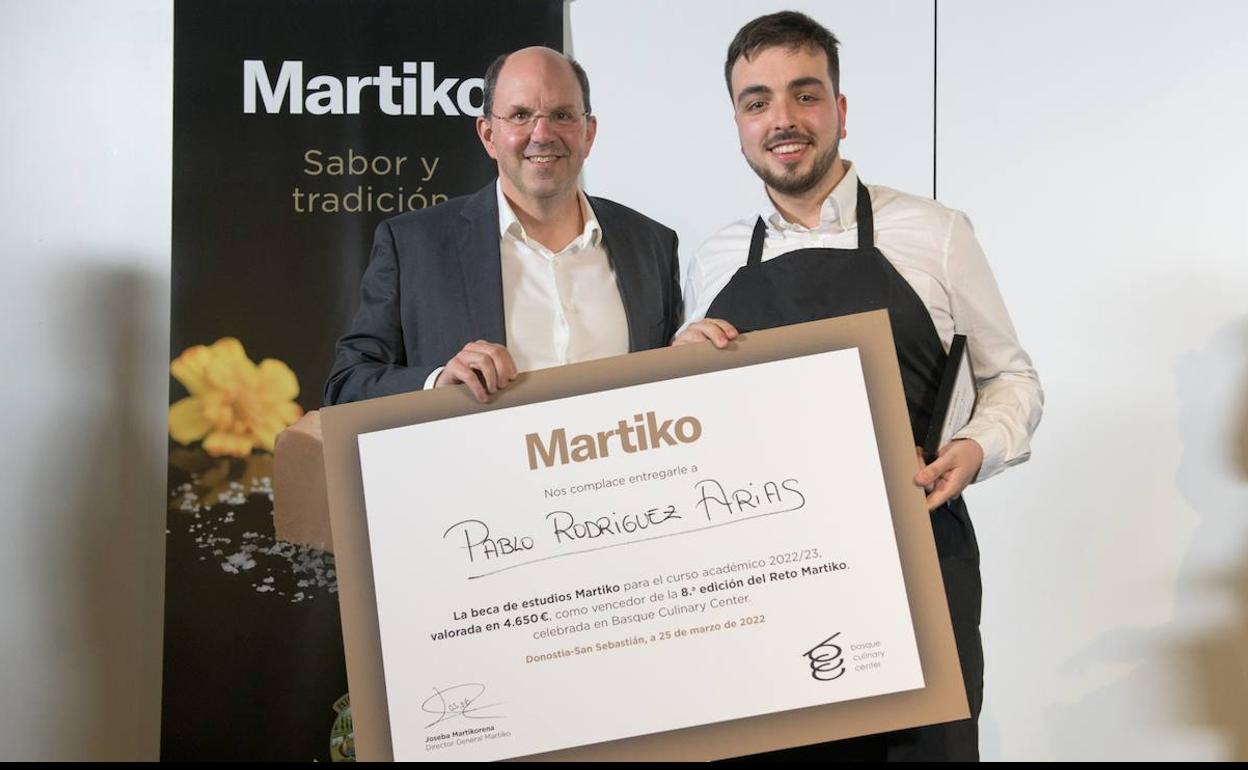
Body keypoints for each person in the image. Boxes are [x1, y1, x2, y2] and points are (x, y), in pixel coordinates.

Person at [677, 11, 1043, 761]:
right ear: (738, 124)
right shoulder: (712, 262)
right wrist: (678, 370)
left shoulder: (936, 233)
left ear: (840, 111)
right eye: (757, 102)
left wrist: (976, 448)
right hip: (766, 589)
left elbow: (1013, 378)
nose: (782, 120)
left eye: (805, 96)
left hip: (919, 567)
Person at [325, 46, 682, 406]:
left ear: (588, 133)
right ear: (488, 135)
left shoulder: (651, 244)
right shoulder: (414, 246)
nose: (542, 133)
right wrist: (437, 383)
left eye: (561, 114)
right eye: (521, 115)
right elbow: (348, 385)